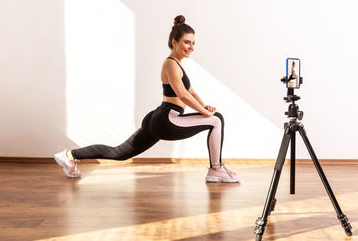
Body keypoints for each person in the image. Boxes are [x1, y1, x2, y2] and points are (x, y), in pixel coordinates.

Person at [54, 15, 240, 183]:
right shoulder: (171, 64)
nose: (191, 47)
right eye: (186, 42)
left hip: (158, 117)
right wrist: (204, 112)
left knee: (119, 152)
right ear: (174, 42)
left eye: (193, 43)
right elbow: (182, 95)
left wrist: (203, 106)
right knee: (217, 120)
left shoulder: (178, 65)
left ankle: (69, 155)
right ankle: (216, 169)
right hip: (167, 119)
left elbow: (191, 92)